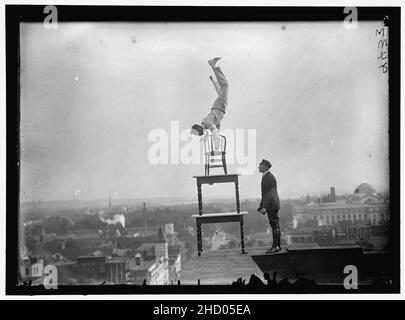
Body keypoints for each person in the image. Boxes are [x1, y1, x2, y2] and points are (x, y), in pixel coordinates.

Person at [190, 57, 229, 148]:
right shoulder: (207, 125)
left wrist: (216, 142)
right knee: (221, 92)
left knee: (225, 85)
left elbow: (214, 129)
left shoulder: (207, 122)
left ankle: (213, 65)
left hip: (219, 107)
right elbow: (216, 126)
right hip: (219, 107)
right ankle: (214, 77)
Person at [257, 159, 281, 253]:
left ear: (265, 167)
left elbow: (269, 194)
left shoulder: (269, 177)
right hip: (272, 204)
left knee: (275, 226)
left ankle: (275, 247)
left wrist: (264, 207)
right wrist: (261, 206)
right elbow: (265, 194)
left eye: (260, 165)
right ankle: (277, 246)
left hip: (272, 205)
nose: (259, 167)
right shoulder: (267, 176)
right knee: (275, 225)